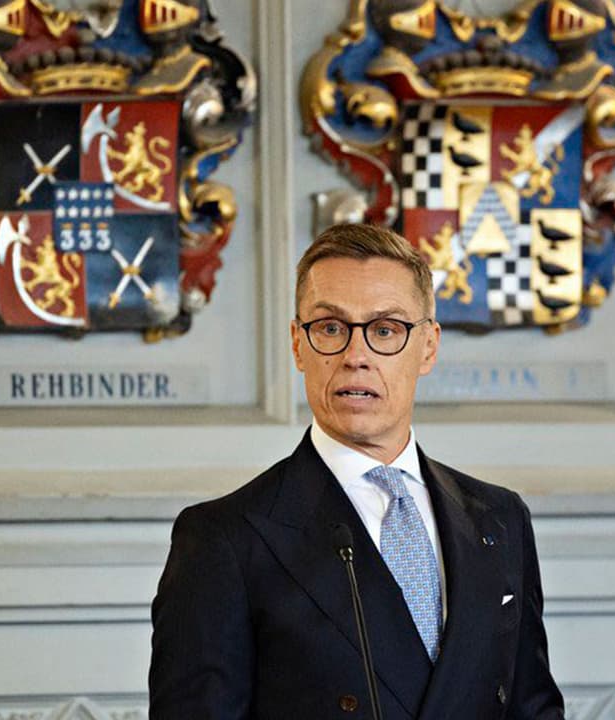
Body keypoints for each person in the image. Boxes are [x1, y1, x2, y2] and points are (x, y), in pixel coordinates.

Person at [149, 223, 565, 719]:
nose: (356, 356)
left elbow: (533, 708)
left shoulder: (500, 517)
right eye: (330, 328)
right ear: (298, 344)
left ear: (428, 346)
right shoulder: (224, 539)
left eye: (385, 330)